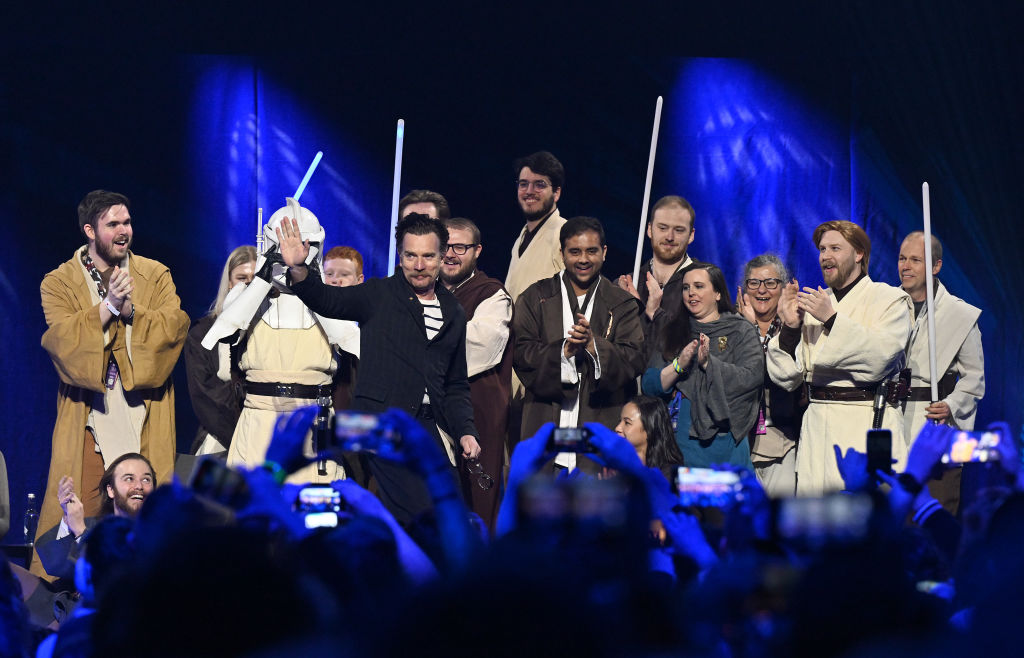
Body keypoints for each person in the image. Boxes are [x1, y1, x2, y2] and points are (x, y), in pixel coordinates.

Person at [281, 212, 482, 524]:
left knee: (449, 513)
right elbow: (327, 299)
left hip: (429, 428)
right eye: (410, 255)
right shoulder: (379, 294)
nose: (419, 265)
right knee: (419, 513)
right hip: (378, 424)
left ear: (442, 257)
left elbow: (455, 384)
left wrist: (466, 432)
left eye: (428, 256)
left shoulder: (453, 311)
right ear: (399, 255)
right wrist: (298, 268)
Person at [36, 190, 187, 573]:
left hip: (143, 407)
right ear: (90, 230)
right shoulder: (59, 282)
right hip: (90, 411)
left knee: (145, 500)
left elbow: (174, 328)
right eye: (113, 224)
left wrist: (131, 309)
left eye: (127, 222)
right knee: (86, 501)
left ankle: (153, 580)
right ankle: (81, 592)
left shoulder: (155, 274)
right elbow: (62, 343)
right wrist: (106, 308)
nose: (124, 231)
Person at [201, 198, 357, 484]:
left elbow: (352, 345)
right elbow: (220, 338)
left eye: (304, 248)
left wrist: (311, 284)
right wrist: (263, 278)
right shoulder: (245, 297)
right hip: (259, 420)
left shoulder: (332, 300)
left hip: (312, 423)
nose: (292, 255)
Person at [766, 220, 912, 495]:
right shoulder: (814, 305)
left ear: (859, 254)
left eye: (835, 248)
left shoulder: (890, 299)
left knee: (865, 523)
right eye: (822, 249)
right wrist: (790, 329)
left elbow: (881, 357)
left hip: (866, 420)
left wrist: (832, 319)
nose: (825, 256)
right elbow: (787, 377)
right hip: (818, 424)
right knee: (817, 527)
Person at [512, 216, 645, 473]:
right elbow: (521, 353)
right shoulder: (534, 297)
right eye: (575, 252)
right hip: (545, 425)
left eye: (591, 251)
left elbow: (635, 358)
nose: (583, 259)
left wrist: (594, 346)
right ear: (562, 253)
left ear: (604, 252)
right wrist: (564, 351)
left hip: (598, 426)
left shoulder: (622, 304)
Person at [642, 264, 762, 468]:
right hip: (679, 440)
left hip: (724, 443)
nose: (691, 293)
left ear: (717, 293)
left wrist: (709, 364)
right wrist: (679, 365)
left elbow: (751, 378)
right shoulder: (674, 330)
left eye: (699, 286)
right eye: (686, 287)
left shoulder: (740, 330)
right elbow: (650, 384)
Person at [898, 231, 984, 513]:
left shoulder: (960, 315)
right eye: (902, 258)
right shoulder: (888, 306)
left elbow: (974, 379)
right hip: (892, 421)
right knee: (893, 523)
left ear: (936, 266)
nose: (905, 266)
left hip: (935, 426)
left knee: (934, 514)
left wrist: (950, 405)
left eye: (915, 259)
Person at [441, 217, 514, 530]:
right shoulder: (419, 290)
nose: (450, 254)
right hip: (430, 413)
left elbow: (479, 346)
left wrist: (419, 341)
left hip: (476, 412)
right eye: (444, 246)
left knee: (475, 505)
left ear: (477, 250)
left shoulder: (492, 295)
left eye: (460, 246)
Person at [736, 253, 803, 497]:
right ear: (744, 289)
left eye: (771, 283)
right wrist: (748, 328)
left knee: (779, 521)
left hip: (783, 439)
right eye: (754, 283)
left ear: (783, 288)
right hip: (740, 441)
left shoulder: (796, 326)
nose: (761, 290)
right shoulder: (731, 326)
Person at [35, 453, 154, 582]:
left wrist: (81, 532)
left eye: (146, 479)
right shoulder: (93, 526)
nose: (139, 486)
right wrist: (68, 519)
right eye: (129, 478)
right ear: (111, 490)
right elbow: (54, 564)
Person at [185, 245, 256, 455]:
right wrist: (241, 438)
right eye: (242, 278)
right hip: (221, 434)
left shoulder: (273, 333)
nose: (248, 285)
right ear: (229, 282)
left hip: (265, 434)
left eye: (255, 280)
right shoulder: (202, 333)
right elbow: (204, 395)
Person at [617, 195, 701, 357]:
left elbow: (697, 347)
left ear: (691, 235)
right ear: (649, 229)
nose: (669, 237)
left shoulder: (705, 283)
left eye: (678, 230)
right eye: (662, 228)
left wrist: (652, 312)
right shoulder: (627, 284)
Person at [505, 151, 568, 302]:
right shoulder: (521, 237)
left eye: (539, 184)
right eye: (523, 184)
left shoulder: (566, 233)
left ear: (556, 193)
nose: (529, 191)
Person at [615, 395, 686, 479]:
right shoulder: (617, 461)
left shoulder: (670, 474)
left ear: (649, 429)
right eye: (620, 421)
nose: (617, 428)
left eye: (627, 423)